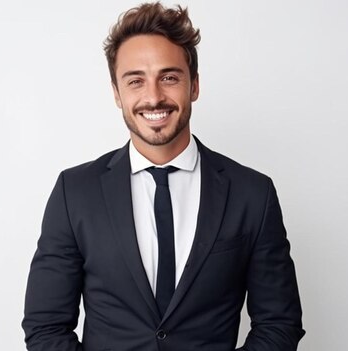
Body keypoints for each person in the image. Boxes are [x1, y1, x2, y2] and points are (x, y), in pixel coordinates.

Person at [22, 2, 305, 350]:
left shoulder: (252, 194)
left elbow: (279, 323)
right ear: (116, 93)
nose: (153, 97)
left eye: (169, 77)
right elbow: (46, 327)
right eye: (136, 81)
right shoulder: (74, 192)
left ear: (195, 85)